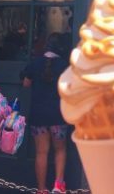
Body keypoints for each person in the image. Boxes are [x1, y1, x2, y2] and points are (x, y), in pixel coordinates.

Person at [21, 32, 70, 194]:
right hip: (58, 114)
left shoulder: (35, 63)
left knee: (41, 152)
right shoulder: (64, 65)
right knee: (60, 150)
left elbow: (26, 84)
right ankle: (58, 185)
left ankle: (41, 189)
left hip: (39, 114)